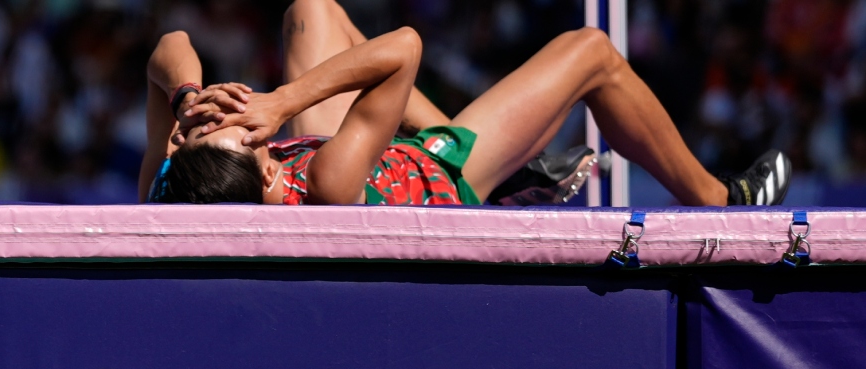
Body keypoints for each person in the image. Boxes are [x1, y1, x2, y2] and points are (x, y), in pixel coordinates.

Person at [140, 0, 790, 208]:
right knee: (592, 53)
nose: (232, 123)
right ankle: (719, 200)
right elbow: (403, 47)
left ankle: (515, 170)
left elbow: (167, 49)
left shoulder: (174, 192)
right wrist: (282, 102)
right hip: (437, 177)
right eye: (240, 137)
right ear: (273, 172)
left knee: (313, 10)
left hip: (365, 152)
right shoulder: (328, 185)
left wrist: (188, 98)